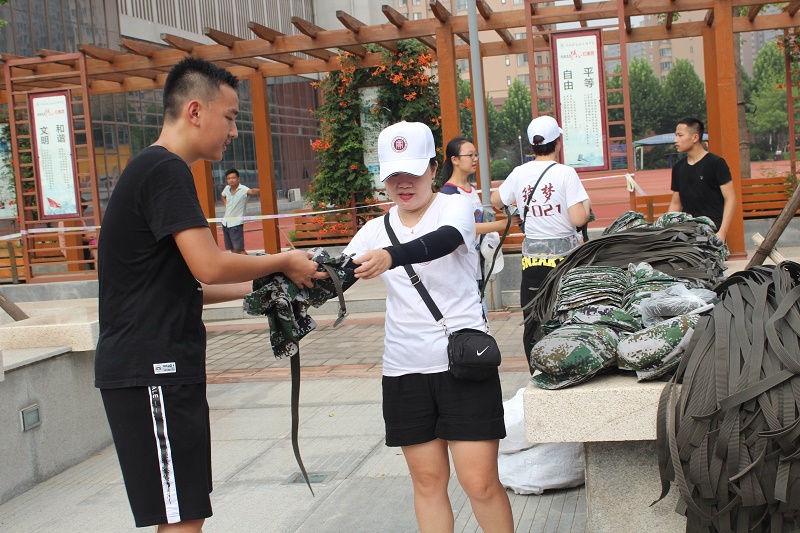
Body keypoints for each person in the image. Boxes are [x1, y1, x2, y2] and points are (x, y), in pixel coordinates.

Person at [94, 57, 324, 533]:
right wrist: (282, 260)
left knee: (186, 513)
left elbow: (190, 285)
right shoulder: (165, 169)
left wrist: (269, 282)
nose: (234, 131)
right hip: (152, 369)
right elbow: (211, 264)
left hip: (160, 367)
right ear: (195, 111)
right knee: (181, 518)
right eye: (231, 117)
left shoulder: (154, 169)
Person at [344, 121, 514, 532]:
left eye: (414, 172)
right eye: (393, 175)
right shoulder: (373, 230)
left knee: (479, 482)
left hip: (463, 365)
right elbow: (338, 274)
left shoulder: (453, 207)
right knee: (427, 482)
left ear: (434, 168)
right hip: (404, 370)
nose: (404, 184)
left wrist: (391, 256)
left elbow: (445, 240)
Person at [491, 115, 591, 372]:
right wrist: (586, 205)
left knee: (533, 319)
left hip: (532, 261)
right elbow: (579, 219)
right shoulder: (565, 173)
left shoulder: (519, 173)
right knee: (564, 316)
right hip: (565, 262)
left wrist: (521, 210)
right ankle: (566, 369)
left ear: (532, 145)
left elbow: (496, 200)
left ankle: (537, 371)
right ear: (557, 143)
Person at [439, 137, 519, 287]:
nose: (475, 159)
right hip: (459, 267)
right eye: (470, 155)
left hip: (475, 262)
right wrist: (504, 224)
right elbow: (466, 228)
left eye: (476, 155)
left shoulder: (471, 188)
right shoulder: (449, 193)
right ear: (455, 160)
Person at [669, 117, 736, 242]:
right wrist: (668, 229)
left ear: (695, 137)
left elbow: (730, 199)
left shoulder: (716, 163)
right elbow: (676, 203)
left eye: (680, 135)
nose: (675, 140)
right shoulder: (678, 168)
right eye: (676, 135)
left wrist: (722, 232)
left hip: (712, 232)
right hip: (687, 233)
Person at [221, 167, 260, 254]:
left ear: (238, 179)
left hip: (236, 224)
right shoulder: (227, 188)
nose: (231, 180)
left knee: (240, 249)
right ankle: (238, 263)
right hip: (225, 223)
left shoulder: (243, 189)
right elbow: (223, 195)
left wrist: (262, 190)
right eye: (229, 178)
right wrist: (226, 204)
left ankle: (249, 262)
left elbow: (251, 191)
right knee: (232, 249)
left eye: (233, 178)